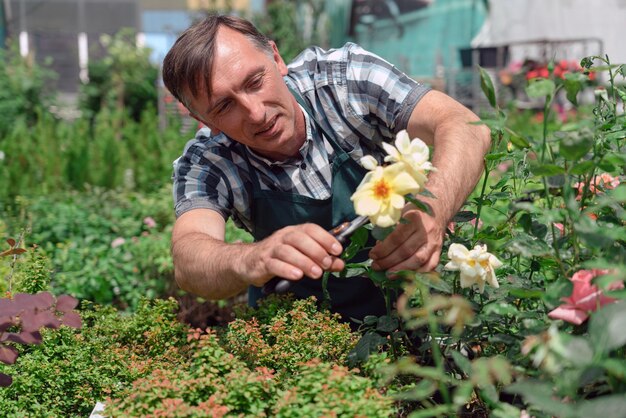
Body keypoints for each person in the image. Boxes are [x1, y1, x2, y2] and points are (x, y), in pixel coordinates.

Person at [162, 14, 491, 325]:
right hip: (306, 333)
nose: (256, 113)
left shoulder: (342, 80)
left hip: (416, 302)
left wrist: (435, 209)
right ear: (204, 121)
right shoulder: (208, 161)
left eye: (255, 81)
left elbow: (466, 125)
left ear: (276, 59)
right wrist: (253, 258)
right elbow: (190, 256)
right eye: (224, 106)